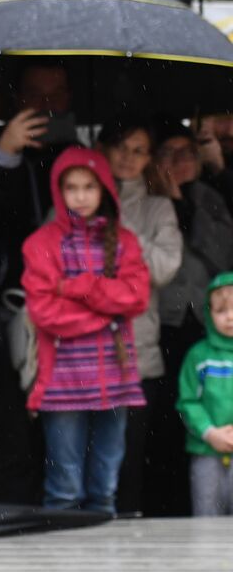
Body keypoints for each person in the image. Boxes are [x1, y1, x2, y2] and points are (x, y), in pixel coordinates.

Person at [22, 148, 149, 514]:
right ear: (58, 192)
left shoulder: (125, 241)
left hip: (115, 376)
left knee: (105, 486)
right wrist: (108, 314)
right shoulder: (41, 244)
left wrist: (80, 289)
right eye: (71, 188)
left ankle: (104, 569)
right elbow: (45, 313)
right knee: (64, 488)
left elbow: (136, 298)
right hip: (63, 378)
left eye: (89, 187)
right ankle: (64, 570)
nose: (80, 196)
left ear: (105, 189)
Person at [0, 63, 76, 505]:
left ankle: (63, 502)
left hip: (72, 306)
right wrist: (6, 153)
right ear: (17, 98)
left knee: (67, 416)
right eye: (35, 93)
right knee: (13, 416)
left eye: (55, 92)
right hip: (11, 303)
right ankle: (14, 507)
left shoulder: (80, 153)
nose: (45, 103)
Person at [96, 122, 182, 515]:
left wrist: (121, 228)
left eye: (139, 150)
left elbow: (165, 268)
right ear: (104, 149)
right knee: (79, 448)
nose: (128, 157)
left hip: (137, 341)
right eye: (121, 146)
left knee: (129, 452)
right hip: (79, 342)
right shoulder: (78, 194)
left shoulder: (157, 205)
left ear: (150, 159)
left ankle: (128, 525)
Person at [152, 124, 233, 515]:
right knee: (167, 410)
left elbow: (219, 256)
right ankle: (166, 502)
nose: (179, 161)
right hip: (162, 323)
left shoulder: (210, 197)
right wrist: (167, 203)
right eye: (169, 152)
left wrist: (183, 205)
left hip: (208, 320)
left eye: (187, 152)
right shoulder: (147, 198)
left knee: (211, 400)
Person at [176, 274, 233, 516]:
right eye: (221, 310)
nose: (230, 317)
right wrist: (211, 433)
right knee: (207, 519)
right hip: (207, 452)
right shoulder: (199, 356)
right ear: (208, 314)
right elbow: (188, 402)